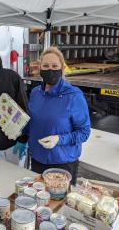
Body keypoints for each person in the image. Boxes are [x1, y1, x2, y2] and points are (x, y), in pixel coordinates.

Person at [26, 47, 91, 185]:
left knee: (60, 205)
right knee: (38, 203)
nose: (50, 70)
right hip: (37, 160)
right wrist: (18, 132)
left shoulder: (73, 96)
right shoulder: (35, 93)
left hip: (62, 164)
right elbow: (32, 122)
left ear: (62, 68)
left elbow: (84, 132)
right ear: (40, 68)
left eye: (54, 66)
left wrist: (59, 139)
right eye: (46, 66)